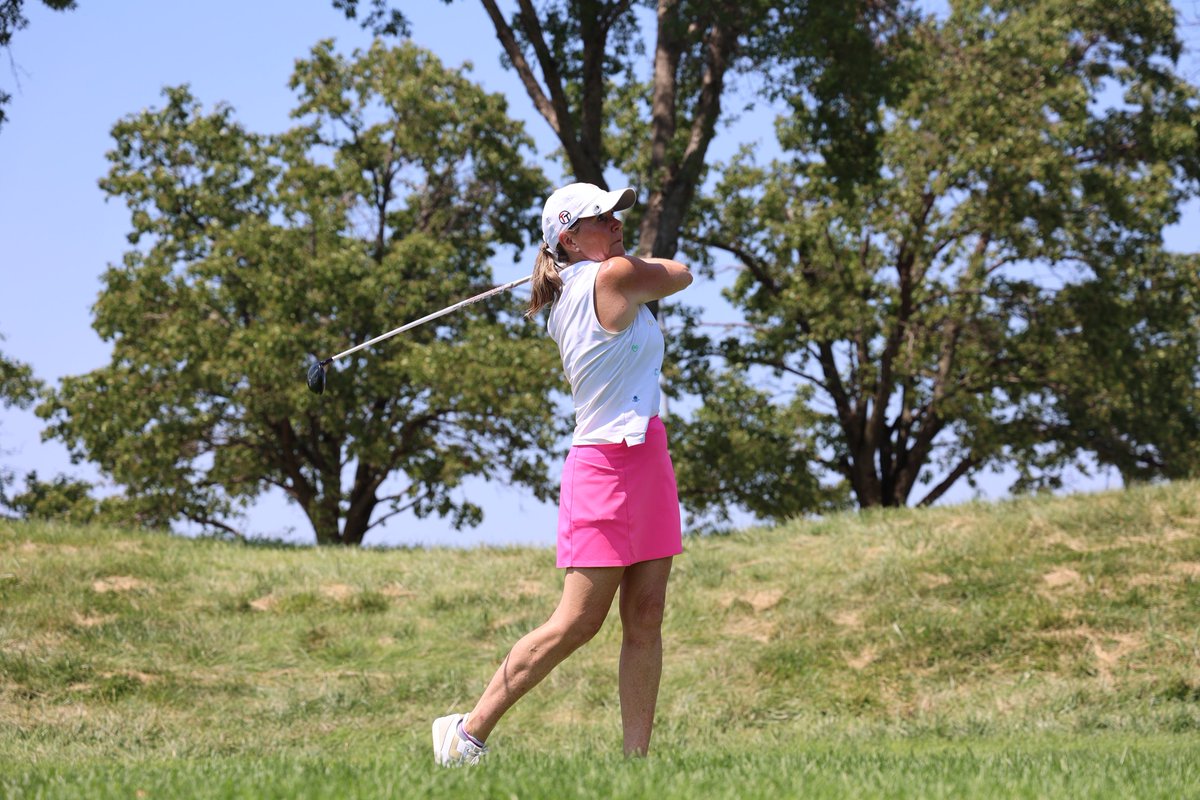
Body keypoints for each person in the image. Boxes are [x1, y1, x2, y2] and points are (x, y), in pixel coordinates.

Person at [432, 182, 693, 766]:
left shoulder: (592, 279)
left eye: (616, 214)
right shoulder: (609, 278)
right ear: (570, 239)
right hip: (602, 466)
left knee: (646, 614)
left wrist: (612, 256)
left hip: (648, 453)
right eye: (603, 217)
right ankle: (465, 732)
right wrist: (632, 260)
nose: (617, 223)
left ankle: (636, 764)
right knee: (576, 622)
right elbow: (680, 274)